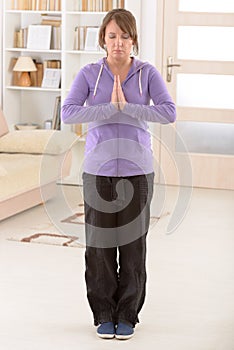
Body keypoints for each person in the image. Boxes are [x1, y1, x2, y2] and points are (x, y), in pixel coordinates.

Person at [61, 8, 176, 340]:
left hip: (137, 172)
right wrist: (109, 108)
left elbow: (168, 112)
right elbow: (68, 113)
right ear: (103, 38)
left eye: (125, 36)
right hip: (97, 172)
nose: (118, 43)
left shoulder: (147, 73)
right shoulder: (88, 74)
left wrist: (128, 107)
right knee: (99, 247)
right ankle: (103, 313)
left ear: (133, 39)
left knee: (132, 244)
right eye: (112, 36)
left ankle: (127, 313)